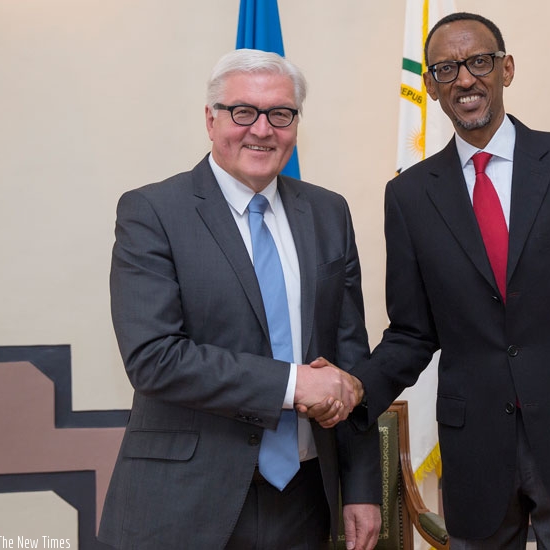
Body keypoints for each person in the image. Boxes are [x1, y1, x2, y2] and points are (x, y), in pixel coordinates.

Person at [308, 11, 550, 550]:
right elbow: (412, 333)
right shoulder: (409, 197)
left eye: (479, 62)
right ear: (431, 87)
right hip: (475, 451)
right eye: (446, 69)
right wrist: (358, 387)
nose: (464, 79)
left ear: (506, 70)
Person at [99, 49, 381, 550]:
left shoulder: (328, 212)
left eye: (280, 114)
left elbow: (349, 359)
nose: (262, 129)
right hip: (184, 501)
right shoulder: (152, 211)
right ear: (211, 120)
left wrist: (361, 489)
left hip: (304, 499)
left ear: (296, 124)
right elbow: (153, 359)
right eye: (242, 112)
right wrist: (295, 384)